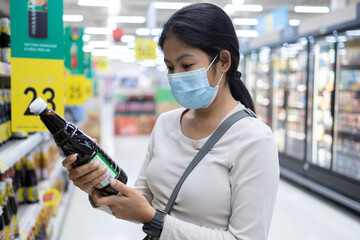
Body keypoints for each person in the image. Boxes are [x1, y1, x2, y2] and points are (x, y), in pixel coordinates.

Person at [62, 3, 279, 239]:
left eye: (186, 65)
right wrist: (96, 187)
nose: (176, 77)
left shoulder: (254, 138)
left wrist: (155, 221)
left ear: (223, 61)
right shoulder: (166, 123)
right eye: (169, 67)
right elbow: (140, 200)